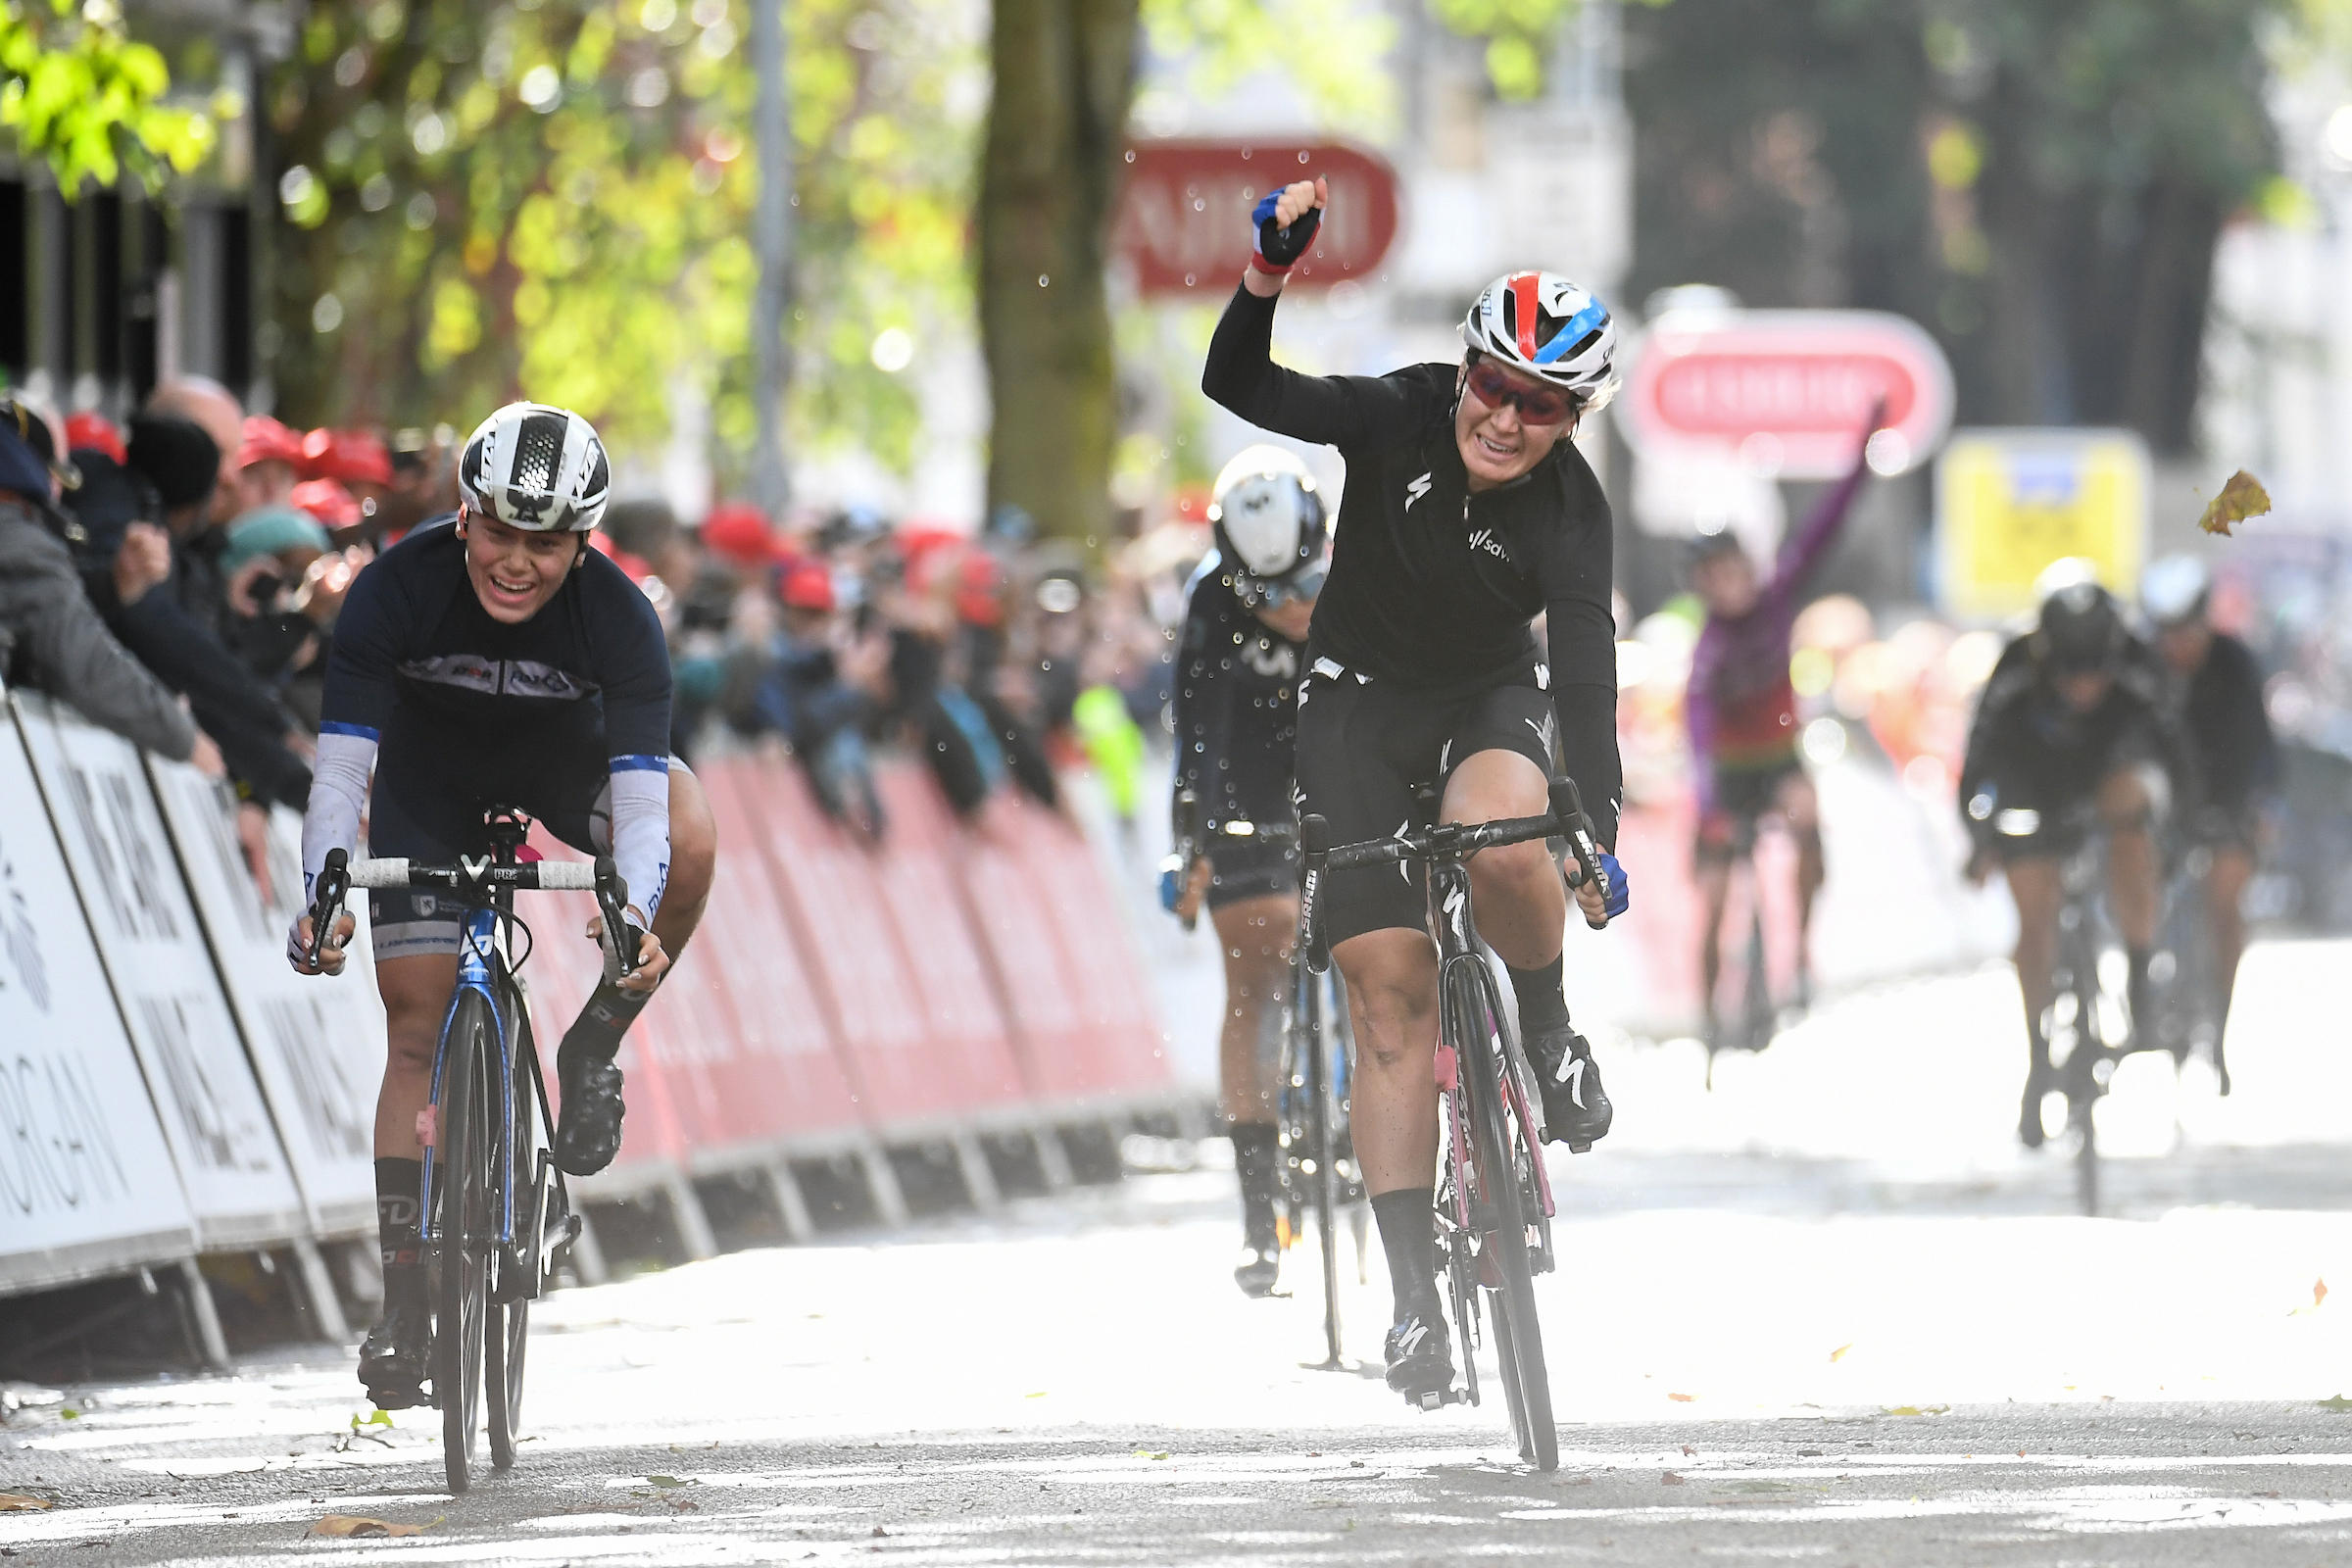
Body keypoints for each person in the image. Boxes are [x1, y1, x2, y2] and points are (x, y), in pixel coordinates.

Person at [1202, 179, 1629, 1401]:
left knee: (1509, 847)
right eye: (1493, 383)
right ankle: (1410, 1302)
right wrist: (1268, 277)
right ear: (1466, 370)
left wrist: (1591, 823)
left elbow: (1588, 670)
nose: (1504, 417)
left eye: (1541, 404)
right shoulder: (1396, 414)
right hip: (1353, 708)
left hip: (1487, 698)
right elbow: (1242, 387)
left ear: (1572, 417)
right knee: (1387, 1001)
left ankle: (1546, 1033)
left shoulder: (1573, 511)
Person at [287, 402, 718, 1410]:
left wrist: (633, 919)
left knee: (697, 830)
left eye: (549, 541)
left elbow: (648, 812)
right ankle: (404, 1299)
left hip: (561, 762)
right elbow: (342, 776)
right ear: (465, 512)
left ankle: (592, 1045)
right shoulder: (395, 588)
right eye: (501, 531)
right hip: (425, 781)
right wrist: (326, 892)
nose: (518, 561)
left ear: (584, 541)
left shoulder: (619, 615)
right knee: (412, 1029)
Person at [1163, 444, 1329, 1298]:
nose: (1293, 610)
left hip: (1343, 770)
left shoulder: (1358, 572)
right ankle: (1259, 1211)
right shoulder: (1209, 598)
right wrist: (1190, 840)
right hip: (1251, 787)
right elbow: (1195, 737)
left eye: (1304, 586)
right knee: (1255, 977)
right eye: (1270, 597)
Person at [1958, 571, 2198, 1148]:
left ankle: (2140, 973)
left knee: (2129, 820)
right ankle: (2039, 1052)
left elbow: (2179, 762)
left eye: (2095, 672)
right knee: (2034, 920)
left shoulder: (2140, 669)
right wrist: (1981, 837)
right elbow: (1977, 765)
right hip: (2035, 787)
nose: (2084, 686)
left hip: (2111, 782)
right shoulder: (2014, 671)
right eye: (2070, 672)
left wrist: (2179, 839)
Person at [1684, 414, 1881, 1033]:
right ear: (1702, 586)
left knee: (1808, 824)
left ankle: (1798, 956)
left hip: (1779, 761)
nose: (1730, 586)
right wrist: (1710, 804)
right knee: (1713, 904)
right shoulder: (1708, 651)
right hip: (1727, 774)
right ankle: (1709, 1016)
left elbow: (1826, 526)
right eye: (1715, 578)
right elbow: (1696, 730)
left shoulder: (1778, 601)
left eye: (1736, 571)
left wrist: (1864, 449)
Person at [2141, 554, 2276, 1090]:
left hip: (2227, 800)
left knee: (2225, 904)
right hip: (2163, 804)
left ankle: (2218, 1023)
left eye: (2185, 632)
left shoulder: (2235, 664)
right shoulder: (2144, 670)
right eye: (2166, 634)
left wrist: (2252, 809)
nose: (2177, 646)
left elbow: (2259, 750)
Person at [0, 405, 195, 760]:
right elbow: (81, 663)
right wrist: (185, 738)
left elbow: (34, 603)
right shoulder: (17, 537)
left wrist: (112, 583)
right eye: (53, 480)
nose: (56, 497)